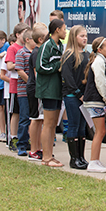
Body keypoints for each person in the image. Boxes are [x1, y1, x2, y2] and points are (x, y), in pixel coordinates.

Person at [36, 19, 66, 167]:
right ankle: (46, 157)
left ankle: (50, 155)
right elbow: (41, 67)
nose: (65, 32)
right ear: (56, 30)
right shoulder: (46, 46)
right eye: (64, 29)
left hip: (57, 90)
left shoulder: (60, 46)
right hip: (47, 90)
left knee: (54, 123)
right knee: (47, 124)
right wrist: (58, 66)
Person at [83, 36, 106, 173]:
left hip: (95, 101)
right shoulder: (99, 62)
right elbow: (101, 83)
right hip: (95, 101)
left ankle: (96, 160)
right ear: (99, 49)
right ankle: (93, 162)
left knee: (101, 131)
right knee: (100, 131)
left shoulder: (99, 61)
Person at [61, 25, 89, 169]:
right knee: (74, 125)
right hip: (73, 96)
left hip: (84, 97)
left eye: (85, 36)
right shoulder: (69, 55)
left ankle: (81, 157)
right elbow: (67, 77)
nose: (85, 38)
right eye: (81, 36)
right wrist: (78, 94)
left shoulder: (87, 54)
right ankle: (74, 159)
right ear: (74, 37)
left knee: (82, 127)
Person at [5, 22, 30, 151]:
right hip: (16, 84)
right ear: (18, 34)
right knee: (16, 112)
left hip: (27, 87)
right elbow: (9, 66)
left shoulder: (28, 48)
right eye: (24, 32)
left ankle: (26, 137)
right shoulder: (13, 48)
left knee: (26, 114)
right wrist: (21, 63)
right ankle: (13, 137)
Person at [27, 23, 48, 161]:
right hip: (36, 89)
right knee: (36, 119)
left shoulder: (39, 52)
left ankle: (38, 148)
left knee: (40, 120)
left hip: (37, 89)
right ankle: (34, 149)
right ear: (40, 39)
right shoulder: (36, 53)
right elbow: (37, 74)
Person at [15, 28, 36, 156]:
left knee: (35, 118)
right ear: (27, 40)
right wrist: (31, 82)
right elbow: (20, 70)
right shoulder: (21, 53)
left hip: (35, 92)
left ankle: (33, 144)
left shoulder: (36, 52)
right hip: (24, 92)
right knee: (24, 118)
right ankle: (21, 145)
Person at [50, 9, 69, 142]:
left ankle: (66, 130)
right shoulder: (50, 38)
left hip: (65, 75)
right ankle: (53, 131)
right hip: (54, 78)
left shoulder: (66, 35)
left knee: (65, 104)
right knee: (56, 106)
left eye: (53, 22)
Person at [0, 34, 16, 145]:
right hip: (9, 91)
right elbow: (2, 75)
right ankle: (9, 139)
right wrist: (12, 82)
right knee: (10, 114)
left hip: (18, 90)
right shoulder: (7, 55)